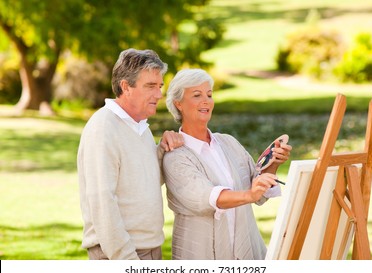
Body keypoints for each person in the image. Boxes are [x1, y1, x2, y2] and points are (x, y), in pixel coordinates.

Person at [163, 68, 292, 260]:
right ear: (178, 104)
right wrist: (249, 194)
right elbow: (206, 197)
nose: (206, 101)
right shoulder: (175, 156)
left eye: (209, 94)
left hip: (246, 249)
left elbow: (257, 187)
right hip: (200, 254)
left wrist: (273, 164)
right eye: (197, 95)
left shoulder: (228, 142)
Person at [77, 48, 184, 260]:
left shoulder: (140, 127)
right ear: (126, 87)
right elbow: (102, 201)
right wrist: (126, 260)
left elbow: (144, 183)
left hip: (149, 250)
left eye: (159, 86)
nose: (158, 94)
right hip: (119, 255)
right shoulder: (104, 127)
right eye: (150, 86)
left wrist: (162, 151)